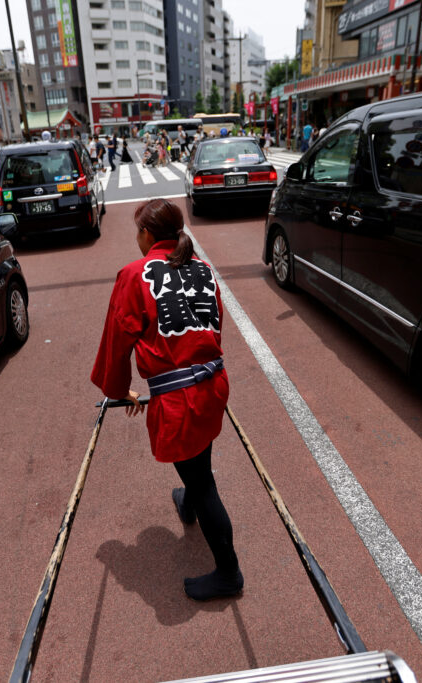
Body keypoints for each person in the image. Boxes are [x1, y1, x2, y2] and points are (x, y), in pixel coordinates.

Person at [90, 198, 242, 601]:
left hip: (180, 398)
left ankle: (228, 572)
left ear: (147, 235)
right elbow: (213, 325)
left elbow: (117, 340)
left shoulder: (135, 274)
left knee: (201, 478)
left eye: (137, 232)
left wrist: (116, 387)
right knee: (198, 457)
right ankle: (188, 504)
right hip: (213, 383)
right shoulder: (202, 269)